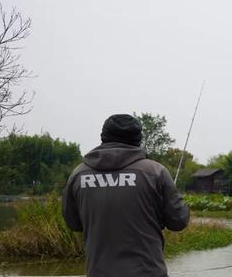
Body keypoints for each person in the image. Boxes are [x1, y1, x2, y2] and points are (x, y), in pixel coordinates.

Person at [62, 114, 190, 277]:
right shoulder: (156, 172)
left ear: (104, 137)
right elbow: (178, 221)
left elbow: (73, 223)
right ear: (137, 139)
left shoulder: (78, 174)